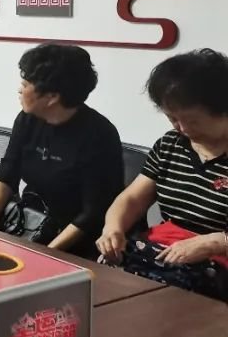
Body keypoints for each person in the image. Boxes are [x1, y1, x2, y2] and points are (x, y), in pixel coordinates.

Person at [0, 44, 123, 259]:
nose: (20, 90)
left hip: (77, 243)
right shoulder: (27, 119)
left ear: (52, 97)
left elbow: (92, 214)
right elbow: (6, 173)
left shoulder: (99, 135)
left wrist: (47, 254)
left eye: (25, 84)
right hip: (33, 225)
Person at [97, 49, 228, 270]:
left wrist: (216, 243)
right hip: (169, 254)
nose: (183, 128)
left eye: (193, 121)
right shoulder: (170, 144)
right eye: (172, 118)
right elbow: (133, 199)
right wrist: (113, 228)